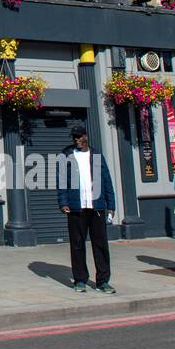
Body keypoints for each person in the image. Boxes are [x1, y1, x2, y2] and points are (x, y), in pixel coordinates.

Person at [57, 126, 117, 294]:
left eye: (79, 136)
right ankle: (80, 280)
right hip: (76, 208)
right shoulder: (66, 155)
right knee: (77, 245)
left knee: (101, 245)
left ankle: (103, 281)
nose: (76, 139)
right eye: (74, 137)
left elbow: (106, 181)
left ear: (86, 136)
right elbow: (61, 180)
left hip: (96, 206)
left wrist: (111, 205)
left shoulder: (97, 155)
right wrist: (63, 202)